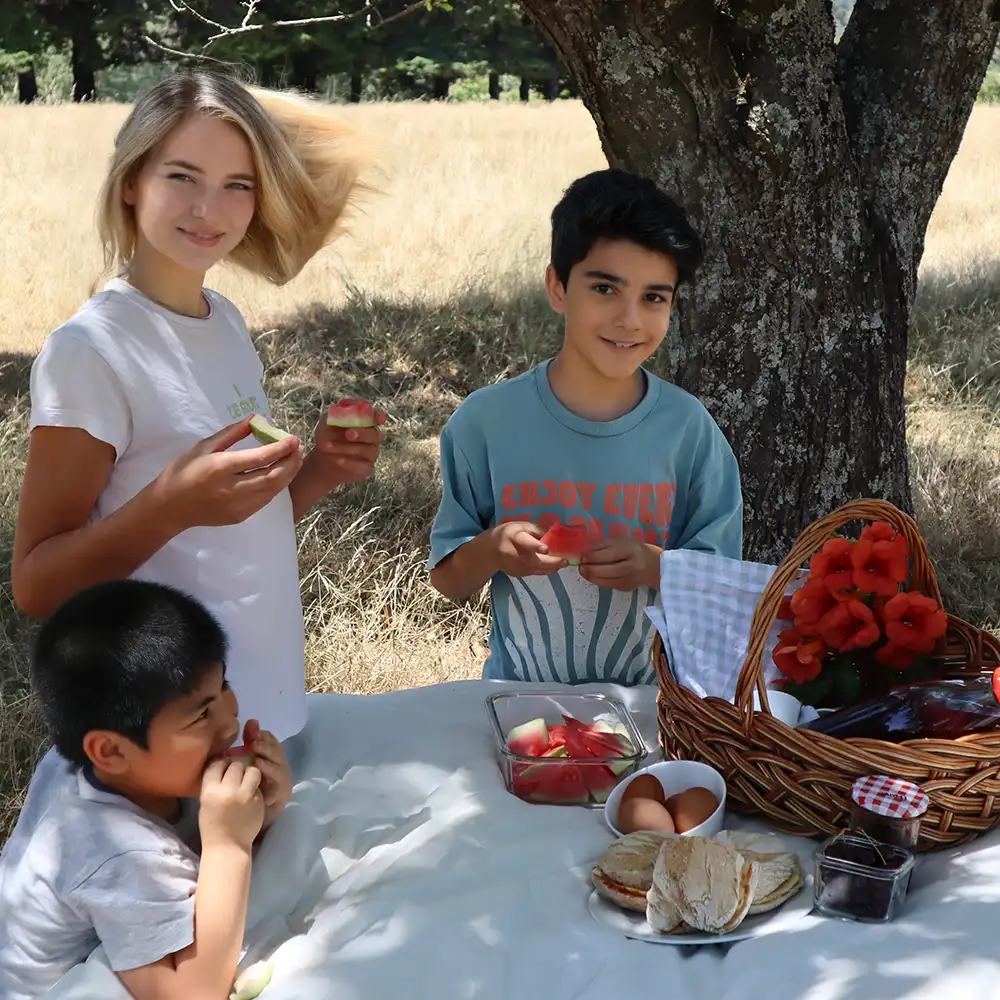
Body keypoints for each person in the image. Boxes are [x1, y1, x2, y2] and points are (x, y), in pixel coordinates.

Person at [12, 70, 386, 746]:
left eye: (237, 185)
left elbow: (229, 531)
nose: (209, 210)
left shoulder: (225, 322)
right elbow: (37, 586)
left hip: (266, 706)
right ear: (131, 182)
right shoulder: (89, 351)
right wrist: (170, 505)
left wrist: (321, 470)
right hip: (176, 732)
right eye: (182, 176)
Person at [428, 168, 743, 686]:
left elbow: (720, 589)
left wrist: (655, 565)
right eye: (604, 288)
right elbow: (448, 580)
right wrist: (493, 549)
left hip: (657, 705)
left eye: (654, 298)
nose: (629, 320)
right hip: (519, 702)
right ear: (558, 287)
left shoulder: (690, 431)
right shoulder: (485, 423)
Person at [0, 579, 292, 1000]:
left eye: (223, 687)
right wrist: (230, 846)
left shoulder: (104, 768)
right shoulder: (115, 854)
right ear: (110, 751)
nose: (230, 720)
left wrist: (264, 807)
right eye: (200, 715)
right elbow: (194, 994)